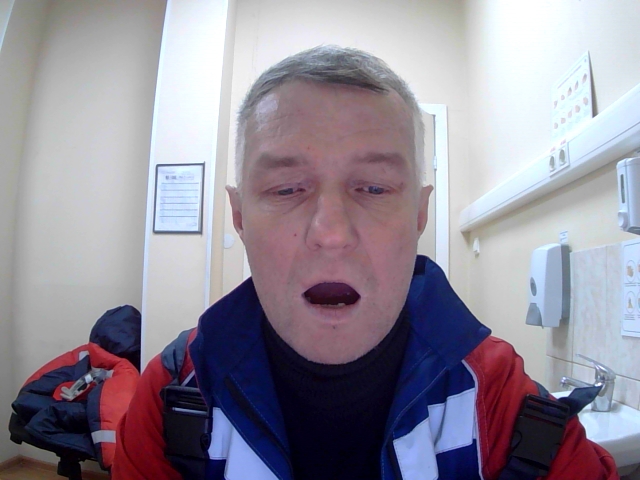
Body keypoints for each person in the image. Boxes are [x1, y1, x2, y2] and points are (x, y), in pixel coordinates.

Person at [112, 46, 618, 480]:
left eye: (374, 188)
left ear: (419, 214)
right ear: (240, 215)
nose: (331, 233)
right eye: (286, 189)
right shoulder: (174, 396)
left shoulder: (502, 403)